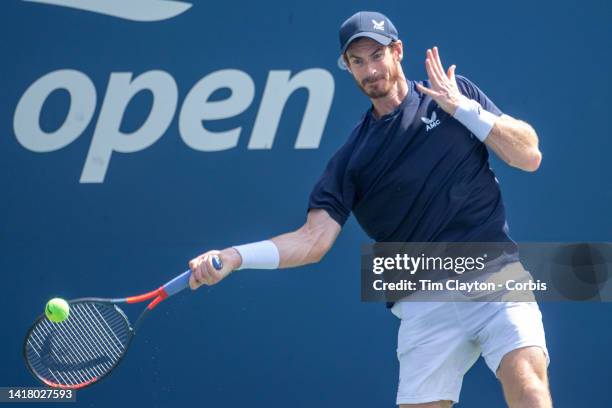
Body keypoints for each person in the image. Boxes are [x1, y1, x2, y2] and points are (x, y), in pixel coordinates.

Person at [187, 10, 551, 408]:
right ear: (348, 68)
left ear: (397, 52)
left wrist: (464, 109)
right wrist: (235, 256)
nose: (369, 70)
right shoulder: (352, 160)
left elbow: (528, 154)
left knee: (530, 388)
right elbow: (312, 241)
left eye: (376, 55)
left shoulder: (455, 96)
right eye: (357, 62)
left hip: (493, 275)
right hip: (421, 300)